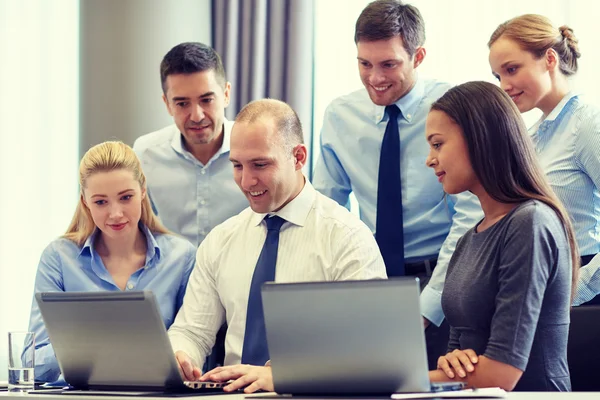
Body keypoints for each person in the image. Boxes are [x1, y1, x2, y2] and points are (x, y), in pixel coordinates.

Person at [168, 99, 387, 393]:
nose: (246, 181)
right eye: (237, 166)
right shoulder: (221, 240)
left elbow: (370, 349)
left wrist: (287, 375)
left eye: (260, 164)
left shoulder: (347, 237)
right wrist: (180, 354)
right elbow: (191, 331)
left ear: (298, 157)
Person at [311, 0, 482, 368]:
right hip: (370, 281)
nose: (375, 77)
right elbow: (325, 212)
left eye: (389, 64)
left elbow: (470, 217)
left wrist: (428, 305)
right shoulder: (340, 115)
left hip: (444, 279)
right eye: (364, 64)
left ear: (418, 56)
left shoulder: (454, 108)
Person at [425, 81, 578, 391]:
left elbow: (501, 376)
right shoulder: (469, 239)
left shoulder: (530, 223)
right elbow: (456, 357)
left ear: (480, 138)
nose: (430, 159)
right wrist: (449, 365)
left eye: (438, 144)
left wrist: (396, 380)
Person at [27, 141, 195, 383]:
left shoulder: (181, 257)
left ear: (143, 190)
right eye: (101, 202)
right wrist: (84, 342)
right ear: (85, 201)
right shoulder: (58, 257)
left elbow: (195, 345)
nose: (115, 214)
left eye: (126, 197)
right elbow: (32, 364)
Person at [488, 14, 600, 306]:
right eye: (498, 76)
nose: (504, 85)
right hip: (546, 287)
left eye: (511, 69)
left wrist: (580, 288)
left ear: (550, 59)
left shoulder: (587, 122)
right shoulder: (531, 135)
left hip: (585, 293)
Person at [133, 42, 247, 247]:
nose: (197, 116)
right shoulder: (145, 154)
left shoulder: (256, 150)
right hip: (173, 277)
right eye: (182, 103)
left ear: (226, 94)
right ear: (167, 104)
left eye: (206, 100)